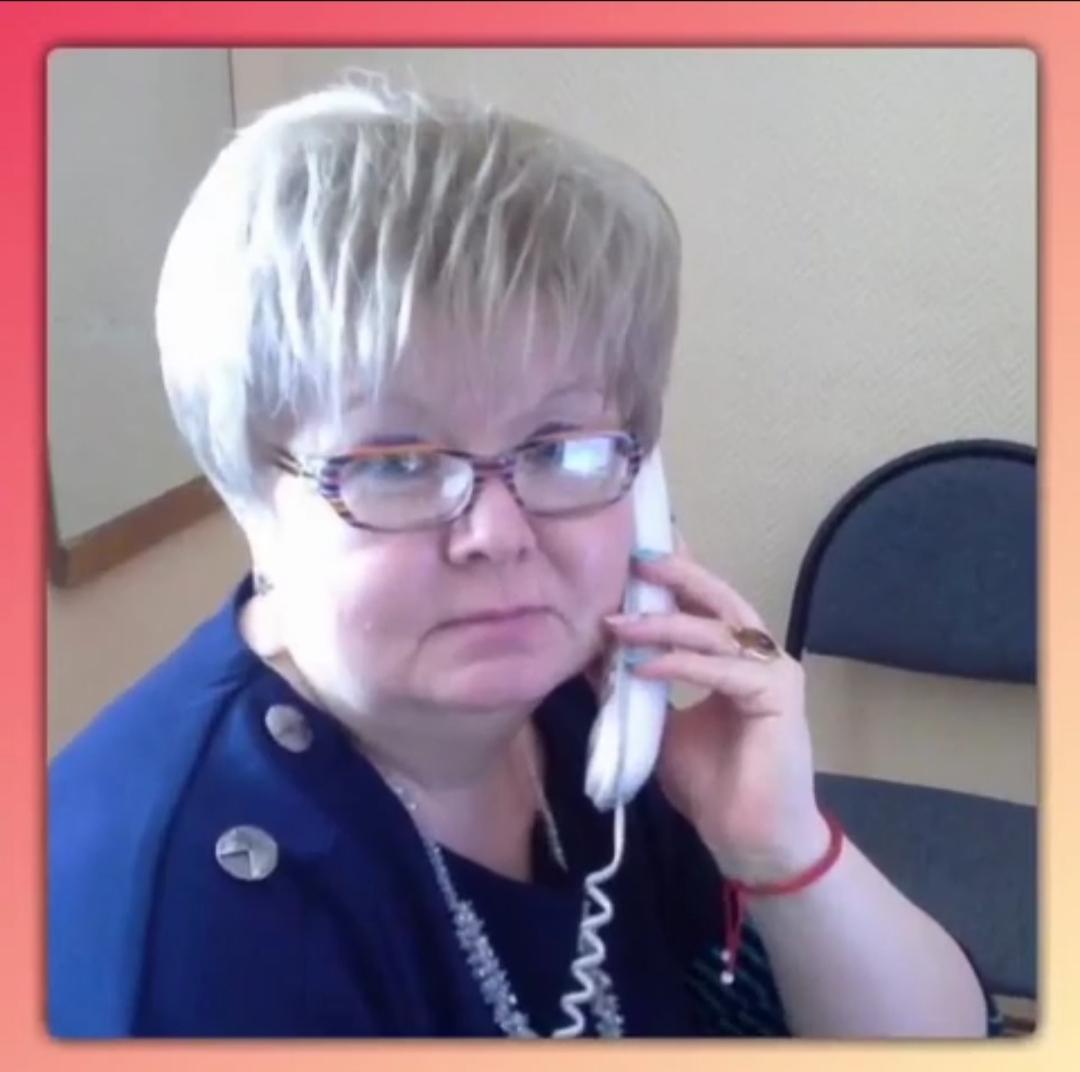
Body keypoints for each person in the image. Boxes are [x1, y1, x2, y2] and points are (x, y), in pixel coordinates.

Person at [48, 75, 1002, 1039]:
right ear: (250, 489)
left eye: (561, 449)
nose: (499, 534)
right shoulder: (187, 931)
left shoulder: (584, 711)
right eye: (400, 463)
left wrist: (778, 843)